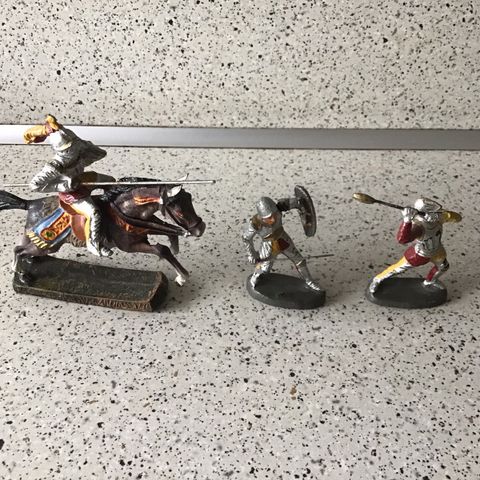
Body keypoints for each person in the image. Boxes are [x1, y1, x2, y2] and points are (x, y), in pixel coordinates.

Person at [23, 115, 114, 256]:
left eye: (75, 146)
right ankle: (93, 244)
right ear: (63, 151)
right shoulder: (54, 167)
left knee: (111, 181)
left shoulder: (78, 149)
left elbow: (100, 154)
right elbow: (35, 185)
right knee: (93, 213)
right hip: (72, 193)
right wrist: (63, 186)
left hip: (82, 180)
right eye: (71, 149)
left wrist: (85, 146)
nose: (75, 150)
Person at [369, 198, 462, 293]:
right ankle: (377, 279)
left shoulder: (438, 218)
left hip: (438, 251)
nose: (438, 213)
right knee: (398, 269)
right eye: (435, 212)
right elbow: (402, 239)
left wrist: (443, 215)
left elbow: (458, 218)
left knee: (443, 267)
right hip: (420, 255)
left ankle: (430, 281)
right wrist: (407, 221)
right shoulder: (419, 225)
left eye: (437, 212)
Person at [243, 196, 321, 291]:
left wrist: (302, 206)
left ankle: (309, 281)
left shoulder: (280, 207)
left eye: (274, 215)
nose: (273, 219)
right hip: (268, 245)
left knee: (299, 260)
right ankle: (255, 277)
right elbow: (246, 238)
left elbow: (298, 202)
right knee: (263, 267)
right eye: (269, 218)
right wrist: (251, 254)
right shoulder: (255, 223)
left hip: (282, 239)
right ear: (262, 217)